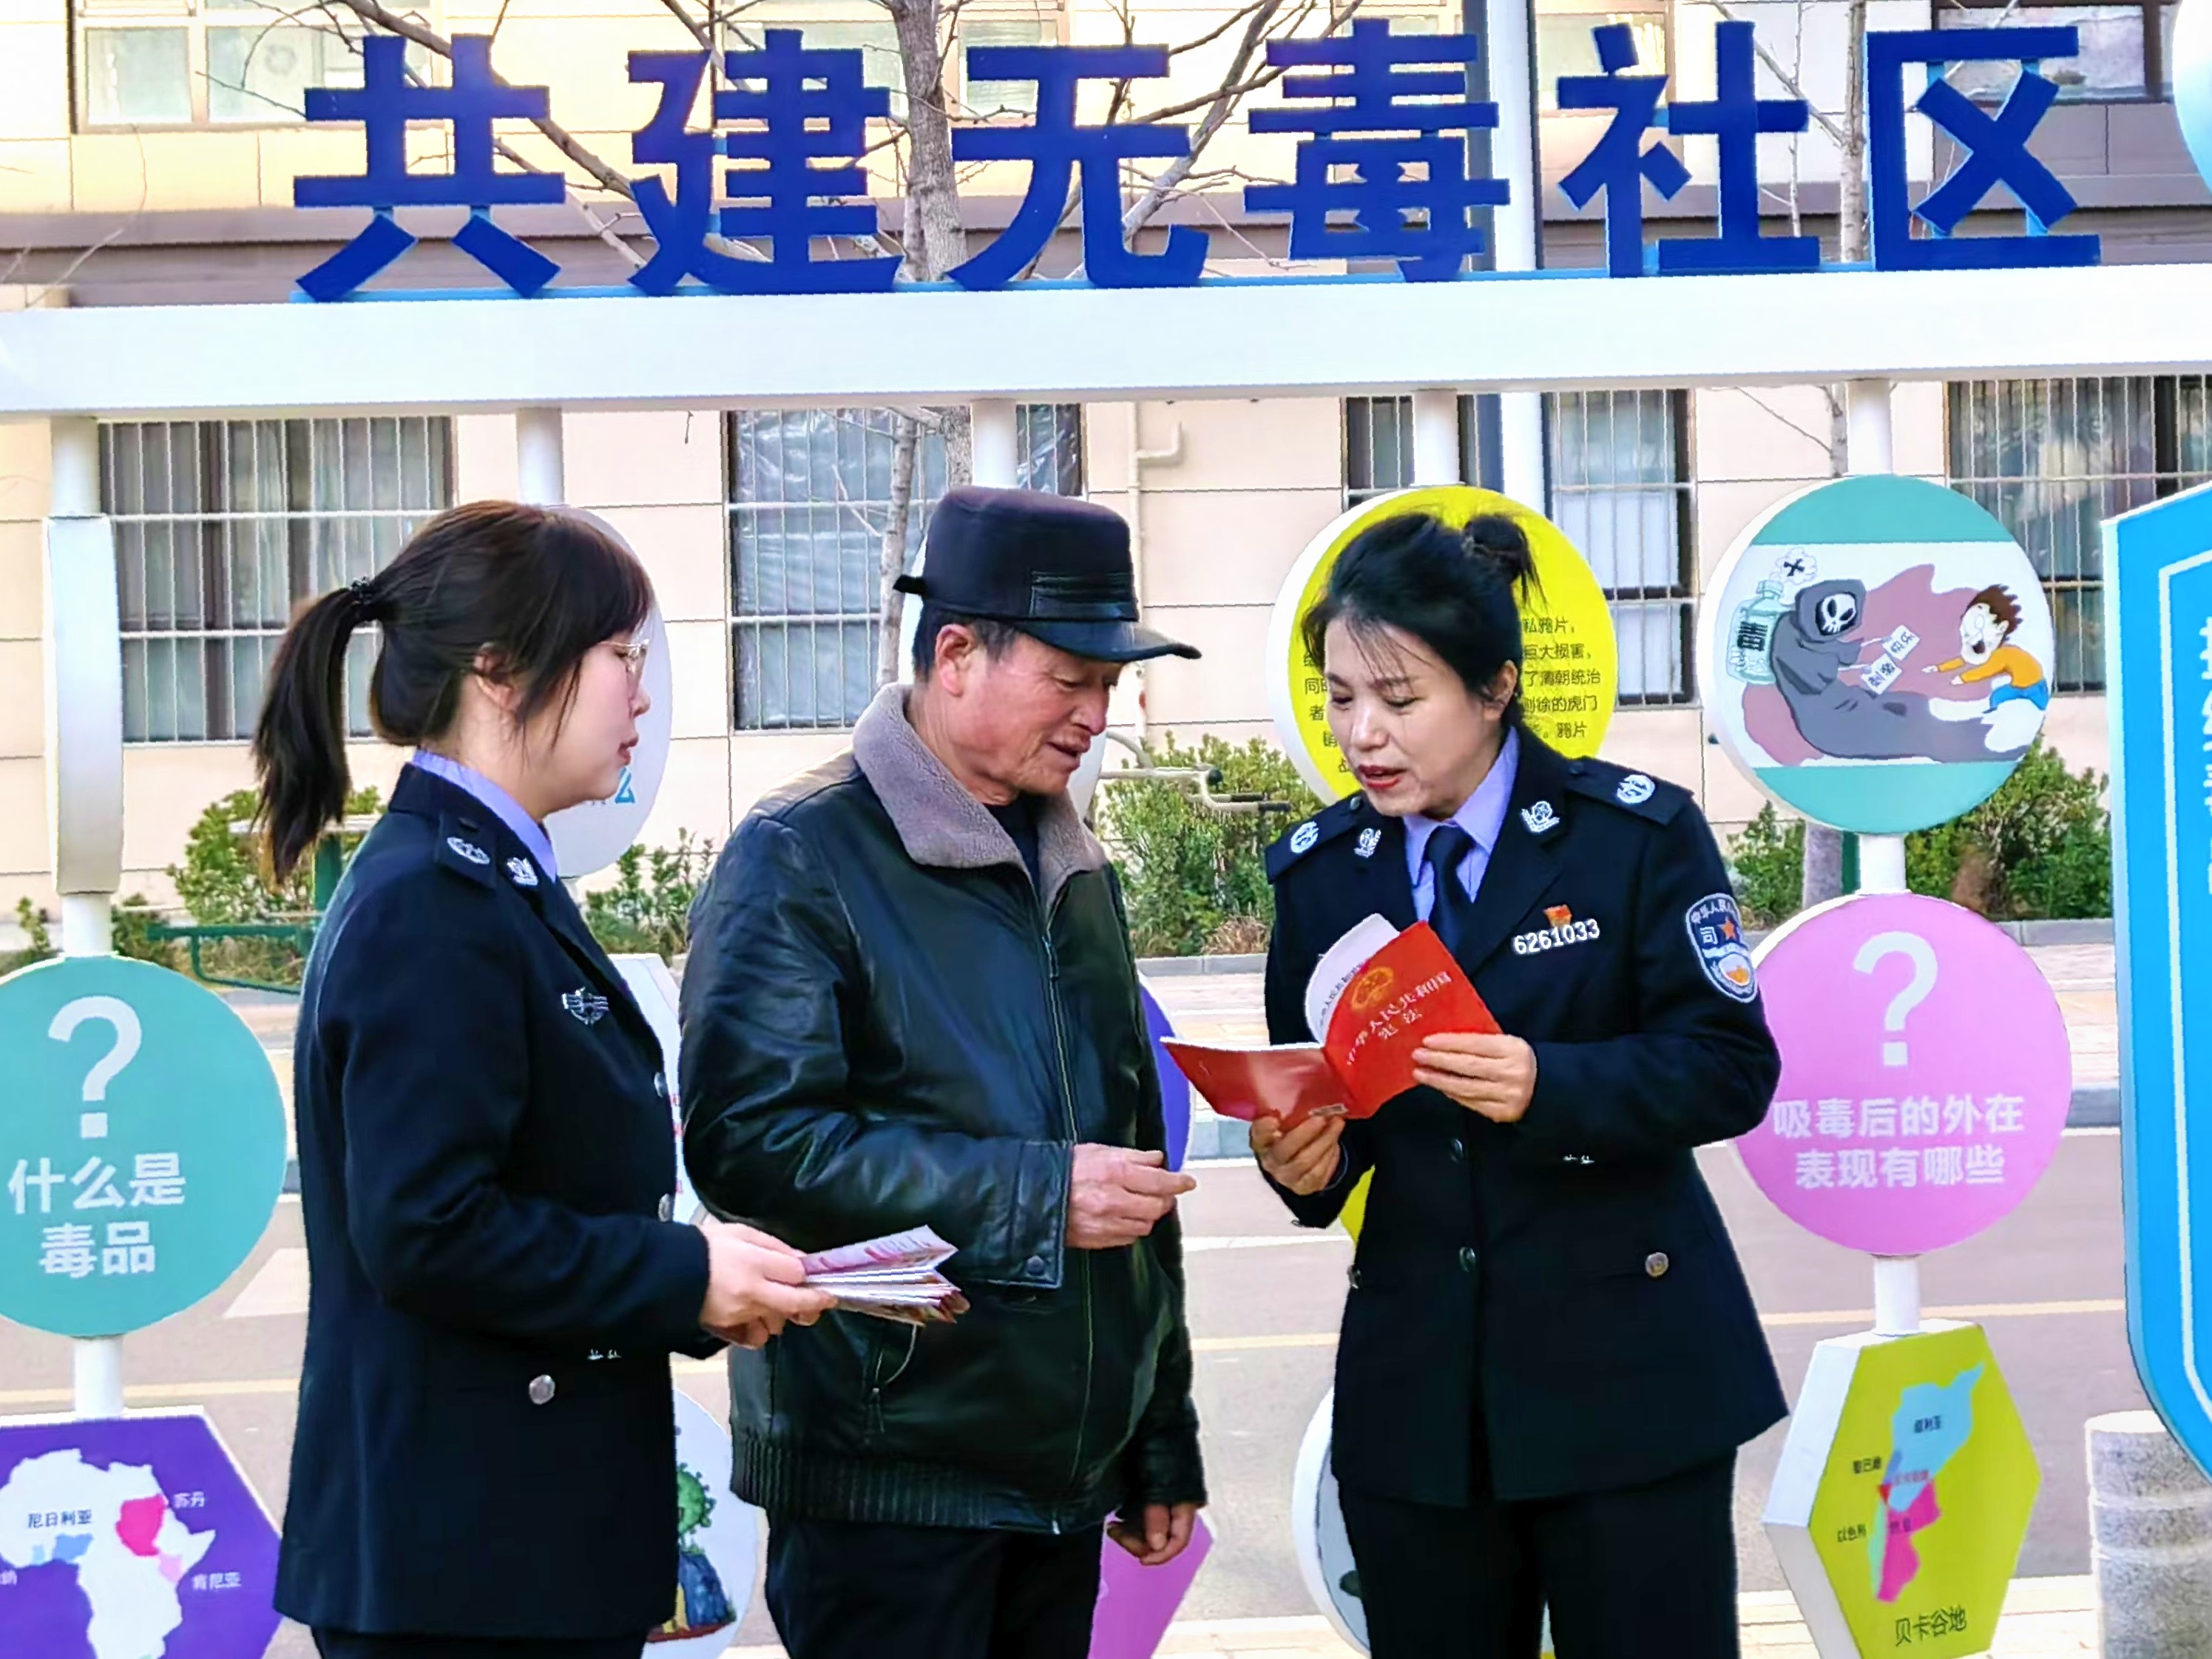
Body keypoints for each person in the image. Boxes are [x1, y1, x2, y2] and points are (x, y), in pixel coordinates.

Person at [258, 501, 833, 1659]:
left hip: (505, 1554)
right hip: (464, 1576)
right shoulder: (435, 902)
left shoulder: (486, 879)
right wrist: (684, 1275)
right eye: (621, 656)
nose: (643, 699)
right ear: (500, 672)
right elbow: (430, 1229)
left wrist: (702, 1280)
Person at [680, 486, 1208, 1659]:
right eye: (1069, 679)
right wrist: (1036, 1196)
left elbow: (1131, 1167)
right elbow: (750, 1146)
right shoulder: (799, 853)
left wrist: (1158, 1436)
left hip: (1061, 1480)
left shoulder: (1076, 866)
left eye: (1110, 685)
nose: (1096, 716)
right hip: (887, 1477)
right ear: (957, 654)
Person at [1251, 511, 1787, 1658]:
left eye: (1400, 699)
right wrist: (1301, 1163)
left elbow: (1732, 1066)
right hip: (1421, 1401)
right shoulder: (1321, 876)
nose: (1362, 733)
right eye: (1340, 698)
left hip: (1628, 1385)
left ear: (1495, 689)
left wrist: (1551, 1083)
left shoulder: (1632, 838)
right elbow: (1331, 1110)